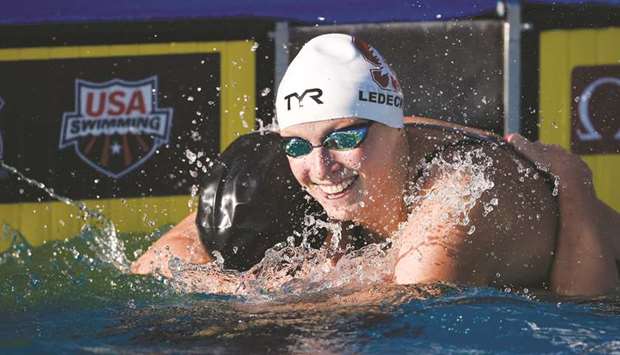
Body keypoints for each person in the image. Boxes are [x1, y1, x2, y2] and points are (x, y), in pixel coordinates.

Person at [132, 33, 618, 296]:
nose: (320, 167)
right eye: (297, 146)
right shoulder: (313, 153)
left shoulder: (452, 205)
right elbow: (155, 264)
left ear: (396, 127)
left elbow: (584, 308)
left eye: (343, 138)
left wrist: (575, 183)